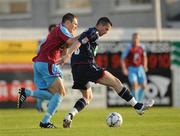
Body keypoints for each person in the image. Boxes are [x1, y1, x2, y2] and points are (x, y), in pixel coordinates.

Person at [60, 17, 154, 128]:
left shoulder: (88, 32)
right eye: (106, 29)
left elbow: (74, 42)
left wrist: (66, 53)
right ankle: (138, 106)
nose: (106, 32)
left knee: (87, 97)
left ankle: (70, 115)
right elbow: (79, 43)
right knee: (116, 82)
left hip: (76, 70)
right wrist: (68, 55)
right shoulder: (93, 32)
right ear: (99, 25)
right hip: (86, 66)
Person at [17, 12, 98, 128]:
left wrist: (66, 54)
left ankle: (27, 93)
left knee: (53, 95)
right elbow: (71, 41)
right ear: (68, 22)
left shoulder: (60, 31)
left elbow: (65, 48)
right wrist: (86, 35)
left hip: (40, 63)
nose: (76, 27)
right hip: (47, 62)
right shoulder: (62, 29)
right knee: (60, 93)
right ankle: (45, 121)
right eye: (75, 24)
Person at [121, 33, 148, 102]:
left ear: (139, 39)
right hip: (131, 69)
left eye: (137, 38)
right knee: (135, 85)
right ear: (132, 39)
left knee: (144, 86)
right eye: (134, 38)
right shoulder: (129, 47)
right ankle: (136, 103)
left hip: (140, 68)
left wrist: (145, 65)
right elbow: (123, 58)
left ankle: (139, 101)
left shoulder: (142, 47)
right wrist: (124, 68)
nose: (135, 40)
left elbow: (144, 57)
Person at [36, 24, 56, 112]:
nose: (54, 32)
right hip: (44, 66)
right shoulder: (45, 41)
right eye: (52, 30)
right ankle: (40, 106)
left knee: (54, 88)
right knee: (45, 88)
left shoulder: (58, 41)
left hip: (52, 66)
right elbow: (38, 53)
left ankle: (51, 104)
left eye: (55, 30)